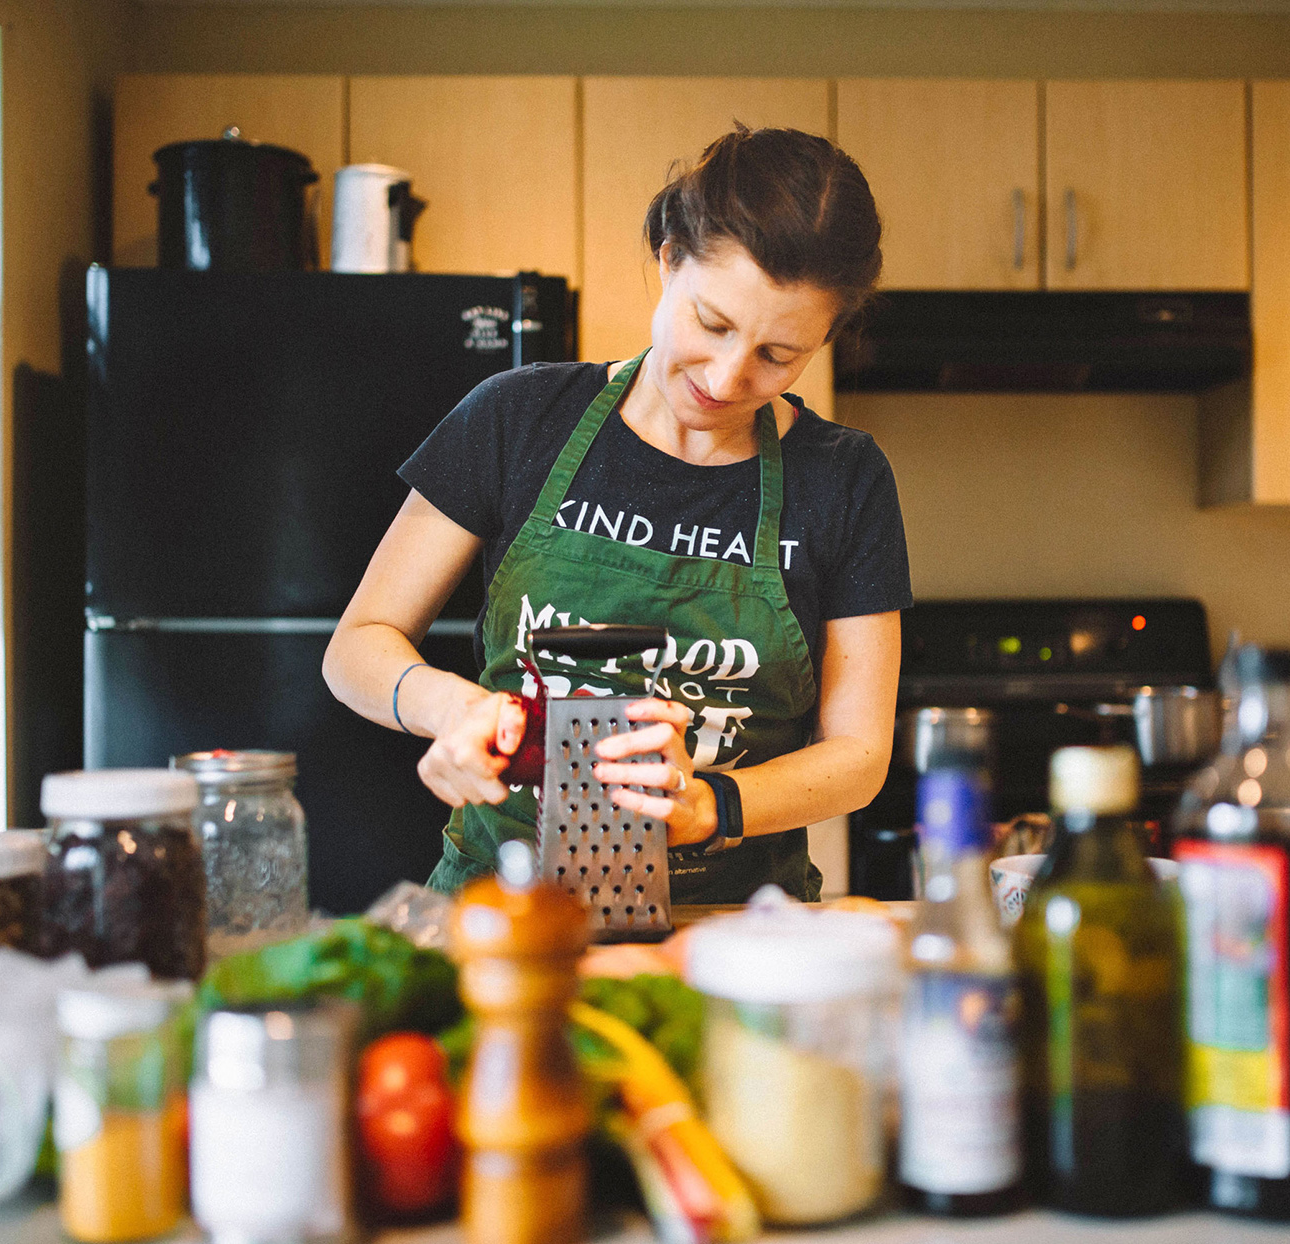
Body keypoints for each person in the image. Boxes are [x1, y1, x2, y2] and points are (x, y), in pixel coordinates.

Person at [324, 125, 911, 903]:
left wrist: (712, 804)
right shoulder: (517, 418)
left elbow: (860, 756)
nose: (728, 377)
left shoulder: (845, 477)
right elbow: (356, 648)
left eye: (778, 354)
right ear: (669, 259)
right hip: (505, 912)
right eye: (712, 323)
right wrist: (456, 709)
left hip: (733, 931)